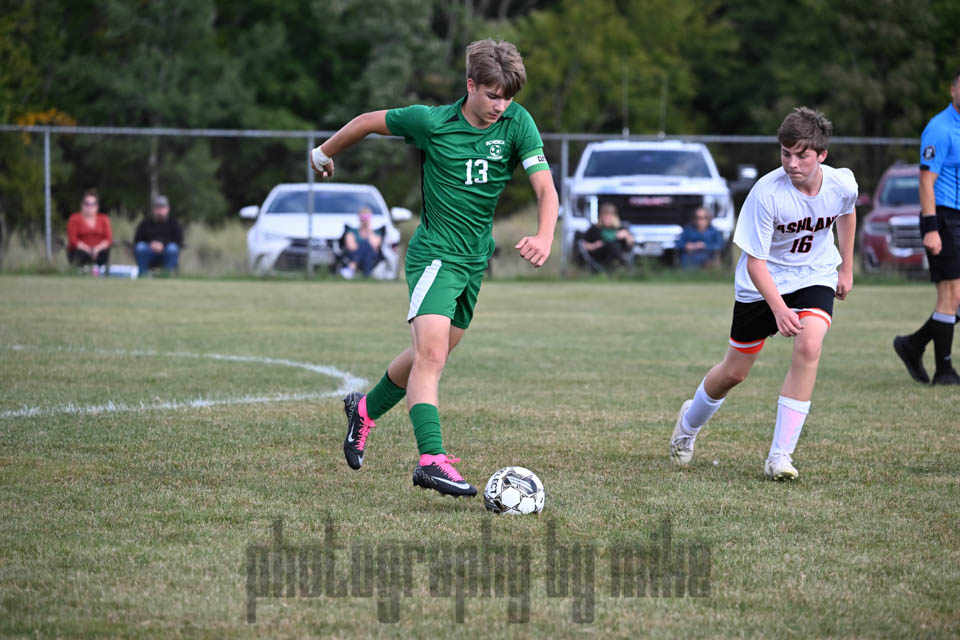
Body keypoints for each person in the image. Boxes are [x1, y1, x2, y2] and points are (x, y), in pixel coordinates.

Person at [310, 39, 558, 497]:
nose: (500, 105)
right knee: (432, 357)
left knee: (432, 352)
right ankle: (432, 460)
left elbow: (545, 188)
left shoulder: (517, 122)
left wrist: (545, 234)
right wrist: (322, 154)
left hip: (473, 262)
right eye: (492, 95)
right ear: (470, 86)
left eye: (507, 97)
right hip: (435, 256)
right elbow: (367, 122)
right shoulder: (432, 122)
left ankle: (363, 410)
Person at [668, 107, 857, 481]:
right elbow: (754, 264)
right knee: (734, 373)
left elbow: (847, 213)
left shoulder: (842, 184)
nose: (791, 163)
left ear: (822, 155)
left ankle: (779, 457)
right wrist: (780, 307)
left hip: (814, 274)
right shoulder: (766, 194)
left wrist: (846, 269)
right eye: (786, 153)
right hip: (762, 285)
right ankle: (687, 427)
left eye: (801, 155)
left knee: (809, 344)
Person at [893, 70, 960, 386]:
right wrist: (931, 228)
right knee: (951, 294)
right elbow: (925, 181)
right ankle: (944, 371)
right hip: (944, 218)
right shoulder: (940, 128)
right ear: (952, 90)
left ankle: (913, 344)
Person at [134, 195, 183, 275]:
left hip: (166, 251)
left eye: (162, 208)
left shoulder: (174, 223)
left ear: (168, 209)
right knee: (140, 247)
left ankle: (166, 274)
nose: (160, 211)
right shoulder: (145, 223)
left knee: (172, 248)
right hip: (149, 251)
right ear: (154, 210)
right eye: (158, 208)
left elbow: (179, 240)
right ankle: (143, 274)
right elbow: (137, 239)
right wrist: (151, 244)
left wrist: (163, 244)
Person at [578, 202, 634, 271]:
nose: (606, 218)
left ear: (614, 216)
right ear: (600, 216)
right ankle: (626, 266)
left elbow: (630, 246)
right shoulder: (594, 229)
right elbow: (582, 244)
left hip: (616, 255)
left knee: (613, 246)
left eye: (609, 215)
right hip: (599, 254)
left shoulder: (620, 228)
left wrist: (627, 236)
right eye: (604, 215)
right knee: (610, 245)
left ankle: (623, 267)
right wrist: (593, 246)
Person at [66, 188, 112, 270]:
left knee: (104, 253)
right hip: (80, 250)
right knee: (82, 254)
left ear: (97, 206)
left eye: (93, 204)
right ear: (82, 205)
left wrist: (97, 249)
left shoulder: (104, 219)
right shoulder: (74, 219)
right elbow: (73, 240)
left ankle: (100, 271)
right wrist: (88, 250)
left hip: (98, 250)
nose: (90, 207)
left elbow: (108, 239)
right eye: (87, 204)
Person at [339, 207, 383, 279]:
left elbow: (375, 245)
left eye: (367, 217)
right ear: (359, 218)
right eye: (363, 217)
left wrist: (368, 230)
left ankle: (351, 268)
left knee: (367, 246)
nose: (365, 219)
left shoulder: (376, 233)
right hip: (354, 254)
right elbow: (351, 247)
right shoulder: (352, 231)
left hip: (370, 256)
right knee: (365, 246)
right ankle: (367, 275)